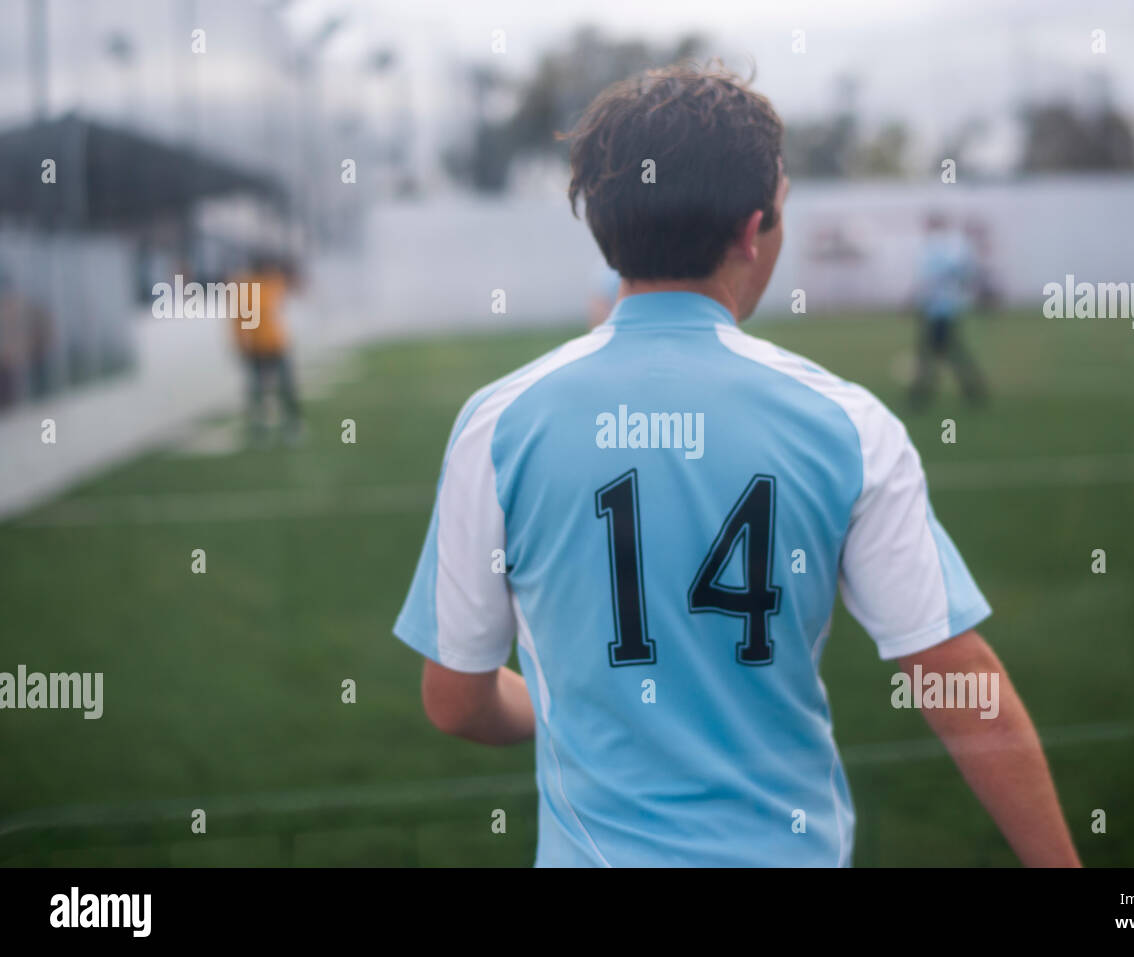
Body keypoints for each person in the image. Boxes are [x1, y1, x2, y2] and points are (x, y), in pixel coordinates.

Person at [393, 65, 1079, 868]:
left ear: (605, 228)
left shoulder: (499, 422)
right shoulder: (846, 423)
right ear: (754, 229)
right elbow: (956, 683)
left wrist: (569, 704)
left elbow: (455, 700)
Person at [908, 213, 988, 409]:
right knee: (947, 353)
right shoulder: (951, 249)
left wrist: (916, 301)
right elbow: (964, 275)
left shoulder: (935, 249)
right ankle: (972, 392)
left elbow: (929, 282)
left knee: (934, 355)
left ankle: (921, 396)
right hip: (947, 309)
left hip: (938, 311)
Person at [229, 253, 303, 445]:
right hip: (256, 347)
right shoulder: (245, 287)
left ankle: (292, 425)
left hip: (277, 344)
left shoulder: (274, 283)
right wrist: (241, 345)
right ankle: (259, 430)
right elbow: (238, 322)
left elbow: (294, 289)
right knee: (257, 391)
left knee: (286, 387)